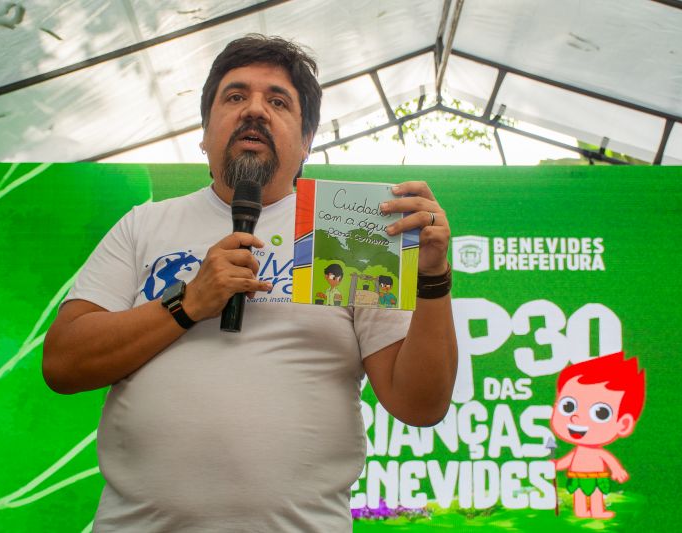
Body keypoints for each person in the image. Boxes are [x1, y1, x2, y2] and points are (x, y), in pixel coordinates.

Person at [42, 34, 457, 532]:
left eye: (278, 102)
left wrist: (433, 277)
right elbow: (63, 364)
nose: (255, 110)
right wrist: (187, 303)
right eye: (235, 96)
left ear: (306, 141)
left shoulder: (346, 230)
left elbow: (420, 405)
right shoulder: (144, 224)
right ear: (204, 132)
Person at [550, 352, 645, 519]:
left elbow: (609, 459)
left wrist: (617, 469)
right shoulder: (577, 451)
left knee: (596, 494)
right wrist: (556, 465)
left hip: (597, 476)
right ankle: (581, 511)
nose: (576, 417)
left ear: (623, 424)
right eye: (568, 406)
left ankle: (598, 511)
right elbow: (567, 461)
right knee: (579, 494)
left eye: (600, 413)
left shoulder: (598, 452)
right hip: (577, 476)